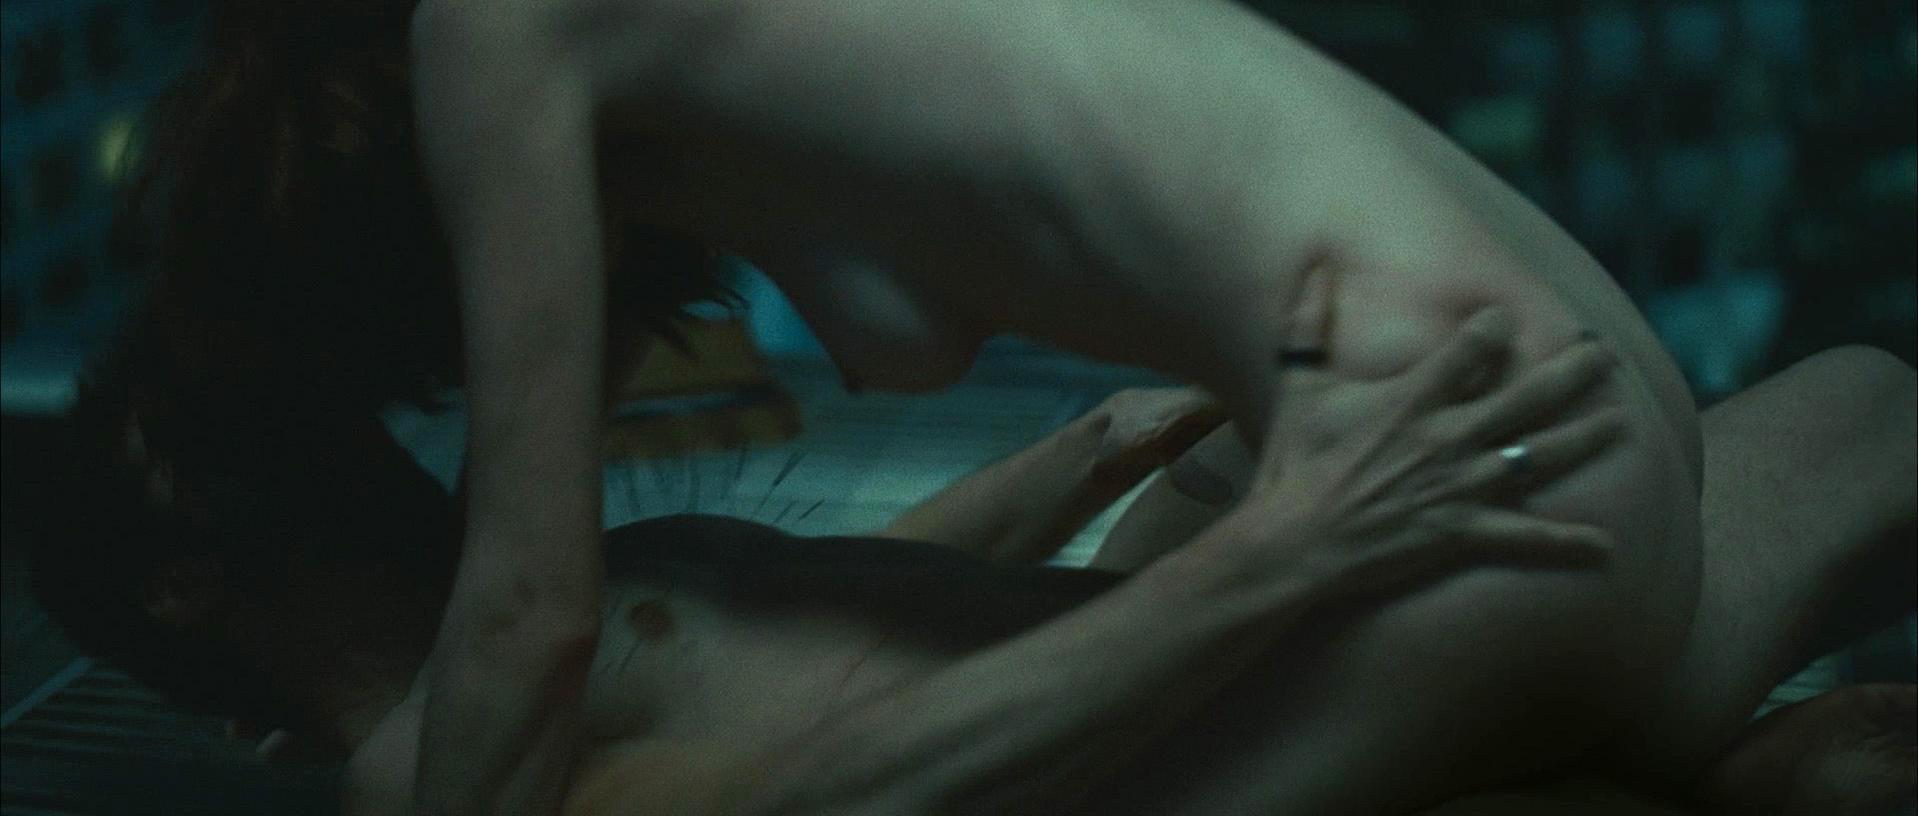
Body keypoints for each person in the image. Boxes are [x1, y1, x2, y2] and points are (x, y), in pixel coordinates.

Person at [28, 312, 1915, 815]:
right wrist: (1284, 558)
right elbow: (876, 791)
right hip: (1268, 729)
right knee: (1858, 428)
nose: (302, 410)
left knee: (1849, 427)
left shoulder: (540, 622)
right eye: (208, 433)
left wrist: (1097, 447)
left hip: (1232, 652)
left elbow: (834, 604)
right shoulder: (429, 769)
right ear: (189, 583)